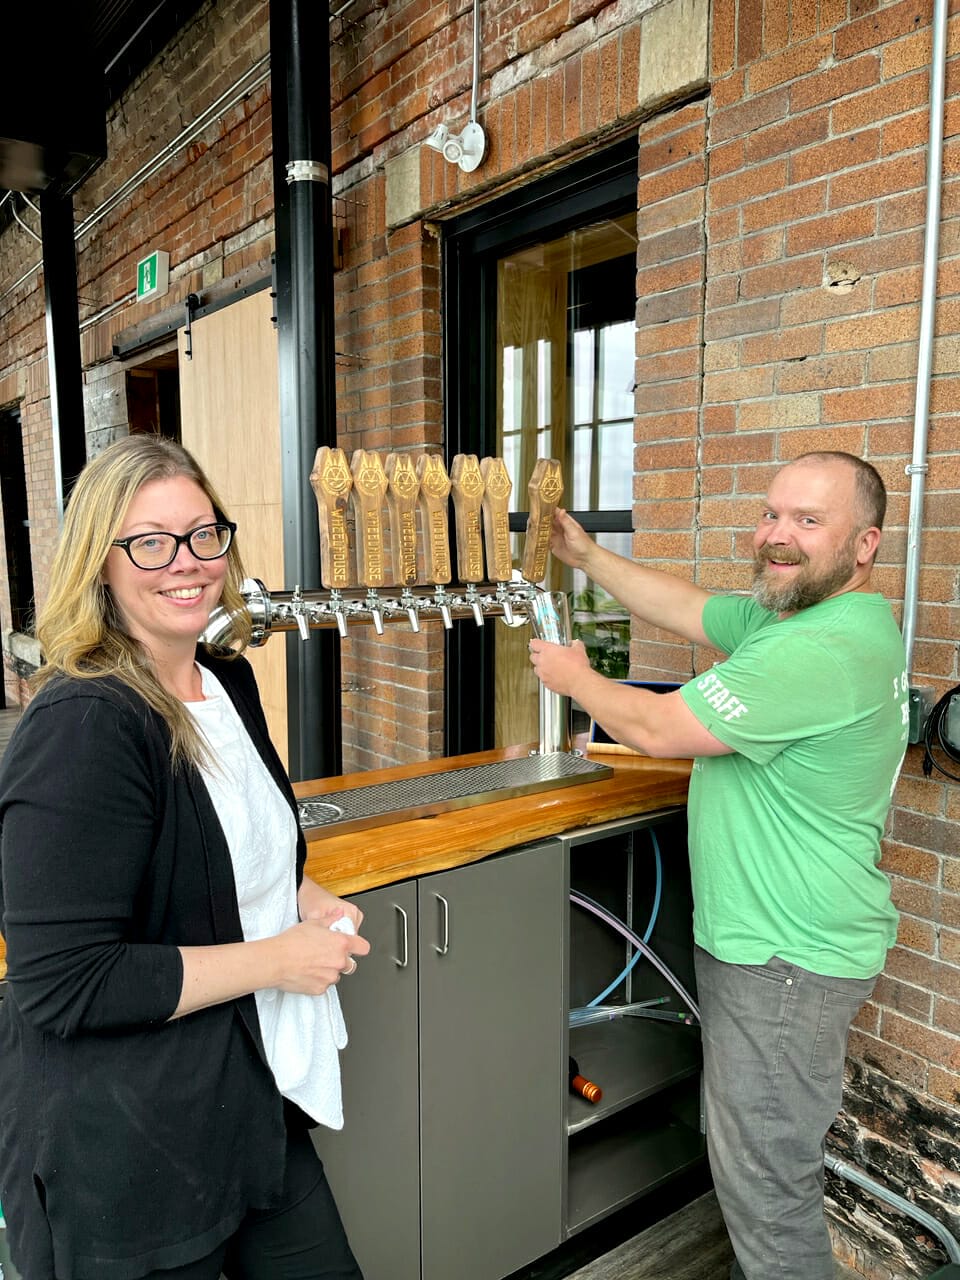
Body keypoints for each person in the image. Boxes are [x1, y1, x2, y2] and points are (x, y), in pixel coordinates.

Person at [529, 451, 908, 1280]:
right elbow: (695, 609)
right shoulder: (809, 617)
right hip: (789, 945)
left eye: (809, 522)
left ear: (865, 543)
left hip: (785, 958)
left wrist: (576, 676)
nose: (778, 536)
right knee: (762, 1169)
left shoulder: (818, 651)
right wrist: (587, 557)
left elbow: (662, 731)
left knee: (766, 1189)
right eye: (773, 514)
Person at [0, 435, 371, 1280]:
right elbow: (64, 983)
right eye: (151, 541)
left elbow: (230, 845)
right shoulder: (86, 725)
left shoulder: (223, 681)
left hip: (243, 1103)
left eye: (206, 535)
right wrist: (279, 959)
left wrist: (303, 896)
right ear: (101, 561)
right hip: (127, 1151)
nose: (189, 563)